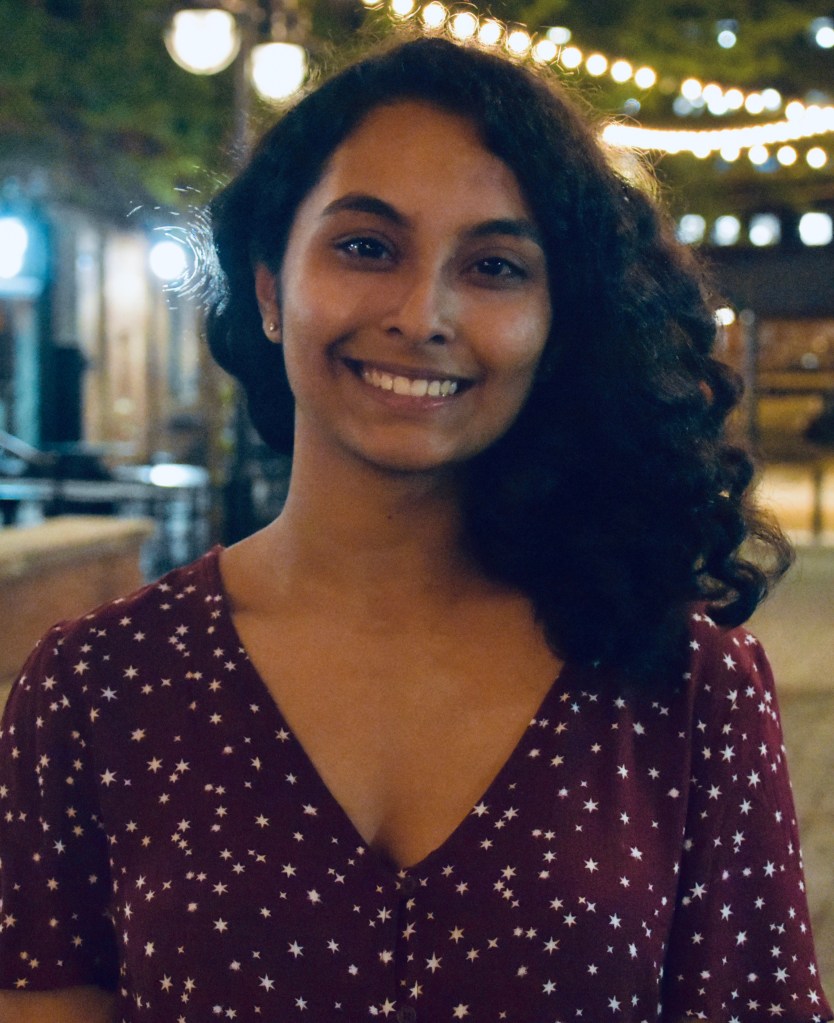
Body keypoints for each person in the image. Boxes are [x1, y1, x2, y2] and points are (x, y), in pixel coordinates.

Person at [0, 34, 830, 1023]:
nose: (423, 313)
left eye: (495, 266)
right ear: (268, 287)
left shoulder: (686, 687)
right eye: (366, 247)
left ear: (556, 322)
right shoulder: (99, 685)